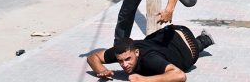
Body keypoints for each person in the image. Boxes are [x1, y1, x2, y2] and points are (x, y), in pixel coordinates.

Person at [87, 24, 215, 81]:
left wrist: (144, 80)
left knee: (181, 59)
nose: (124, 64)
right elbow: (93, 57)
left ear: (136, 52)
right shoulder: (124, 50)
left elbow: (180, 76)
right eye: (120, 61)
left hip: (188, 48)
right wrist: (101, 70)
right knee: (152, 41)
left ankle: (203, 41)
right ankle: (204, 39)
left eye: (128, 59)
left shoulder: (149, 59)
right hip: (168, 35)